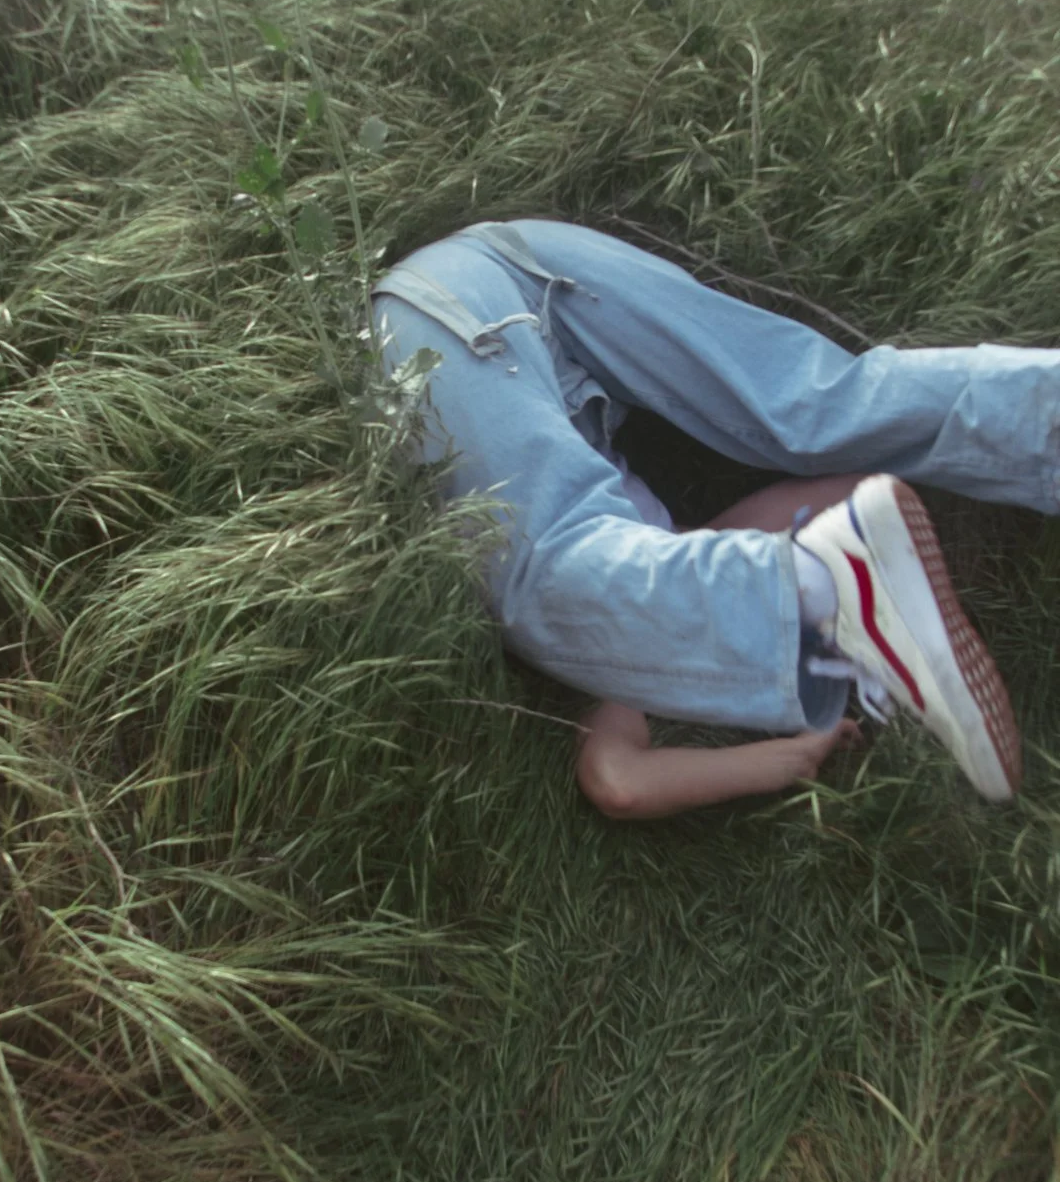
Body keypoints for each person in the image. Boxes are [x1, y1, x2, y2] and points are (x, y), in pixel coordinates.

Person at [372, 220, 1053, 818]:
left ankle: (819, 581)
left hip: (439, 309)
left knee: (541, 573)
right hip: (522, 258)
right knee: (815, 407)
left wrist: (793, 755)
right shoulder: (666, 575)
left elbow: (618, 779)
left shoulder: (611, 645)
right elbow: (856, 496)